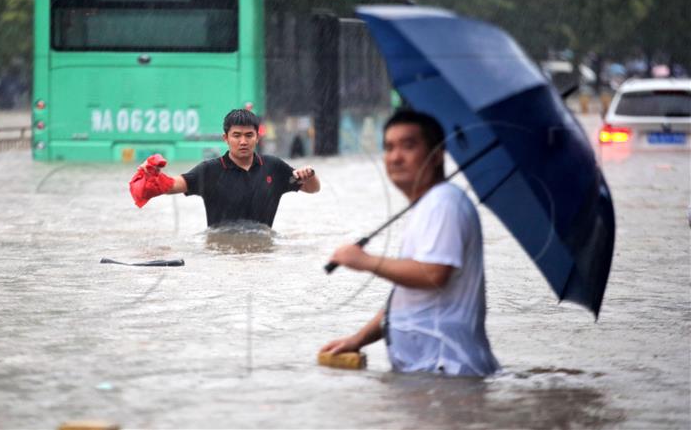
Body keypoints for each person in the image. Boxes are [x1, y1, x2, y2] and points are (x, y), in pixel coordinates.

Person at [320, 109, 499, 377]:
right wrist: (358, 339)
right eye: (389, 147)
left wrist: (366, 261)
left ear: (437, 155)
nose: (395, 157)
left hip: (447, 373)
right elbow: (410, 300)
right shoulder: (427, 207)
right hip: (426, 375)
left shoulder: (443, 203)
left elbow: (433, 274)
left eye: (408, 146)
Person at [129, 108, 320, 228]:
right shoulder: (209, 171)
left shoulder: (273, 167)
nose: (243, 141)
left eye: (249, 135)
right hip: (221, 253)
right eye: (236, 135)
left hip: (262, 255)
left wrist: (310, 174)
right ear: (225, 138)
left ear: (257, 137)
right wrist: (150, 174)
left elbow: (312, 189)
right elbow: (173, 185)